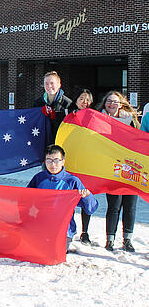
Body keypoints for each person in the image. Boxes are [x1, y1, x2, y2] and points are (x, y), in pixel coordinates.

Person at [27, 144, 98, 252]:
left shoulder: (72, 181)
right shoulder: (39, 178)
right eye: (49, 160)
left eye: (56, 160)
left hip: (64, 229)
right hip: (40, 227)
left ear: (63, 161)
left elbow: (91, 208)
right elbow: (25, 198)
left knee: (53, 255)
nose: (53, 164)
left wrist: (87, 196)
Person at [98, 91, 139, 252]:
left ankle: (127, 240)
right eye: (108, 101)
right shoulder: (98, 119)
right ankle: (110, 239)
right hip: (112, 169)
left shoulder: (130, 120)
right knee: (114, 206)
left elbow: (139, 140)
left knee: (130, 205)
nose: (111, 104)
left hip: (131, 167)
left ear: (121, 104)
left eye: (115, 101)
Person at [70, 88, 95, 245]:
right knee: (70, 197)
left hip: (88, 164)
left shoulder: (95, 117)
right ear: (76, 100)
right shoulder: (69, 116)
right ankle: (69, 230)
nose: (84, 101)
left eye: (87, 99)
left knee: (86, 196)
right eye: (81, 98)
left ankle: (85, 232)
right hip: (72, 161)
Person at [32, 71, 72, 142]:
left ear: (59, 85)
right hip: (42, 141)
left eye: (52, 83)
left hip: (60, 141)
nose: (49, 86)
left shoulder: (67, 104)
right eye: (46, 84)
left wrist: (55, 117)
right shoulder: (38, 103)